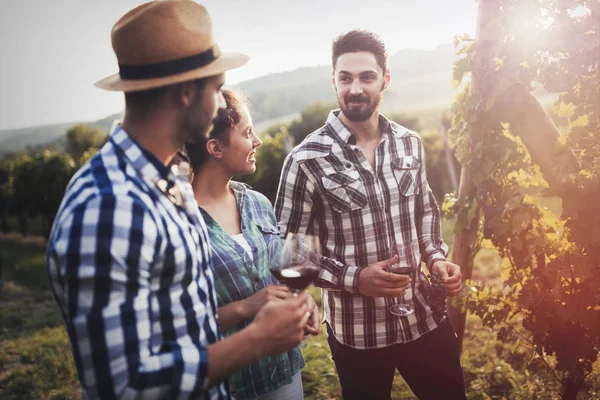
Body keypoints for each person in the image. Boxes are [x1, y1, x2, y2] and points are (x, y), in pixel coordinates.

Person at [46, 2, 310, 399]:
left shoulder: (171, 178)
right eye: (218, 88)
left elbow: (186, 322)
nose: (223, 104)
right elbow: (121, 387)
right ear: (187, 91)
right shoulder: (106, 207)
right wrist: (255, 340)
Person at [274, 30, 467, 399]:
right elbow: (287, 249)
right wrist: (354, 278)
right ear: (334, 81)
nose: (355, 88)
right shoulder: (305, 159)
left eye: (366, 76)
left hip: (424, 317)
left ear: (385, 79)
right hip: (358, 335)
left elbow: (424, 212)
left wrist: (437, 258)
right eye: (345, 78)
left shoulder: (409, 143)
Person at [186, 89, 319, 400]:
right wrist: (244, 307)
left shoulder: (257, 203)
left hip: (283, 370)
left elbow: (277, 279)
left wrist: (299, 301)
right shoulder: (180, 224)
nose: (257, 140)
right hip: (230, 384)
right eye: (247, 132)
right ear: (215, 147)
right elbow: (180, 326)